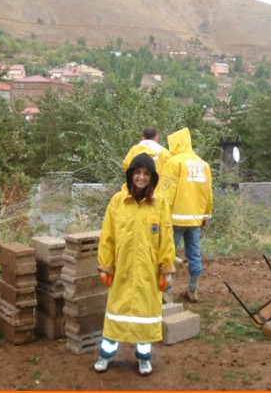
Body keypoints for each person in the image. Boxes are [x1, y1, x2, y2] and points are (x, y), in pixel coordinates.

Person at [95, 153, 176, 376]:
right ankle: (106, 355)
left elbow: (166, 238)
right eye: (137, 173)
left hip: (148, 272)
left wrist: (166, 268)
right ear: (131, 175)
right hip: (121, 270)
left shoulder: (160, 204)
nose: (141, 177)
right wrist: (105, 266)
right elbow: (107, 236)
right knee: (115, 313)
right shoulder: (117, 201)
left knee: (145, 316)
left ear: (152, 178)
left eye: (146, 174)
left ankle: (143, 358)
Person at [159, 128, 213, 303]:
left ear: (176, 143)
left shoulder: (174, 162)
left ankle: (166, 293)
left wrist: (160, 215)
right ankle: (193, 290)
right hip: (195, 218)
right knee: (194, 253)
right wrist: (205, 216)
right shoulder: (203, 164)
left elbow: (166, 192)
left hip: (174, 219)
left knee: (167, 254)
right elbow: (208, 193)